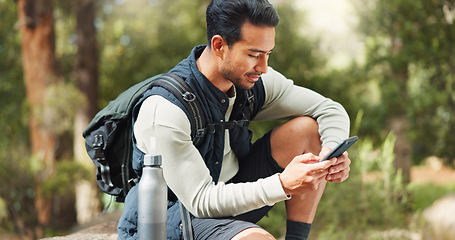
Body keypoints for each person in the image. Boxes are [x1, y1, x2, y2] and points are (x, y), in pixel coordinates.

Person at [118, 0, 352, 239]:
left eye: (268, 54)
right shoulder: (166, 110)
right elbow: (200, 200)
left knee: (308, 130)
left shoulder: (251, 82)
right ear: (219, 45)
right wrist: (281, 184)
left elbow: (329, 109)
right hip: (170, 217)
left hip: (231, 194)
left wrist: (330, 153)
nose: (264, 67)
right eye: (254, 54)